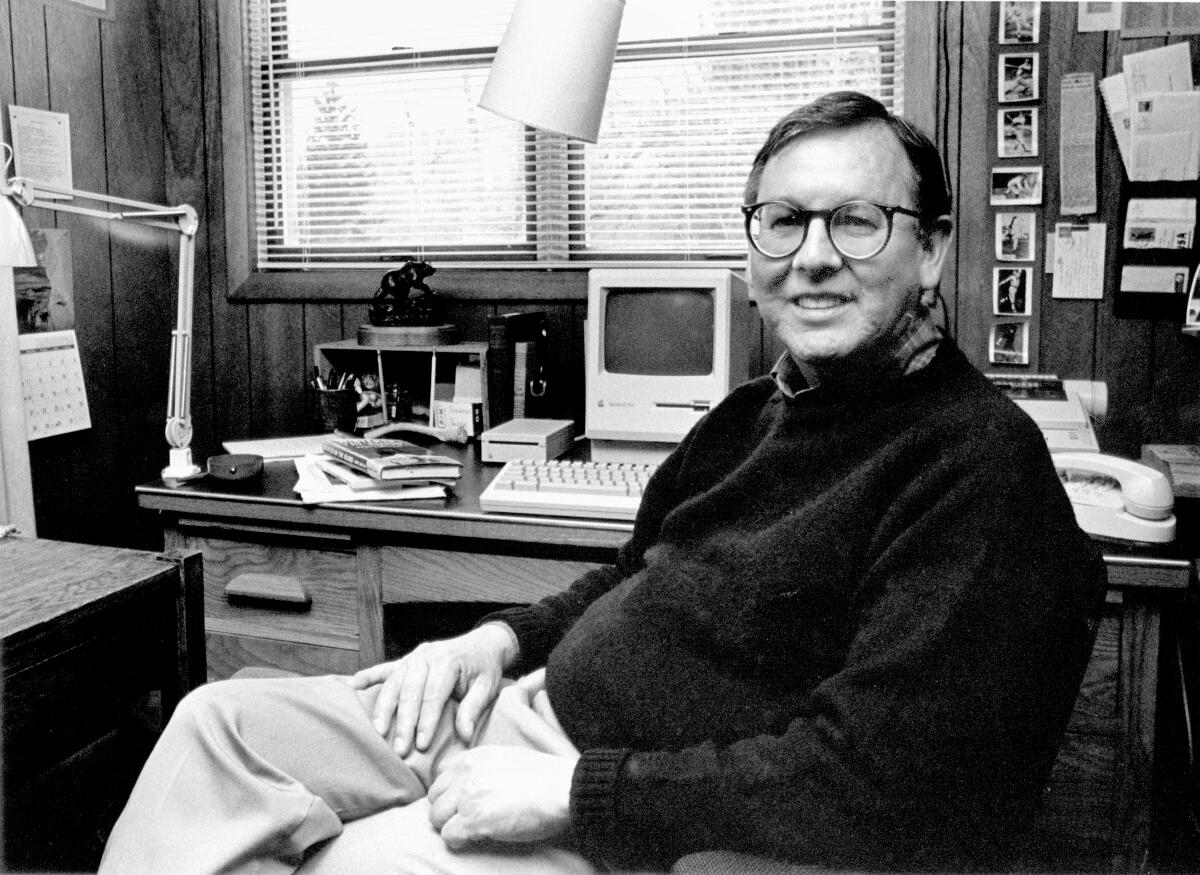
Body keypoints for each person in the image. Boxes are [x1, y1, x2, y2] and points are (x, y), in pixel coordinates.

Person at [100, 91, 1105, 874]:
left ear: (930, 249)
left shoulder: (975, 467)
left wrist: (575, 791)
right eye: (782, 221)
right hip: (524, 715)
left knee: (341, 858)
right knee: (217, 725)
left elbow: (874, 779)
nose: (811, 259)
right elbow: (635, 573)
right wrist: (489, 642)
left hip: (631, 817)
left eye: (856, 223)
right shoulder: (753, 412)